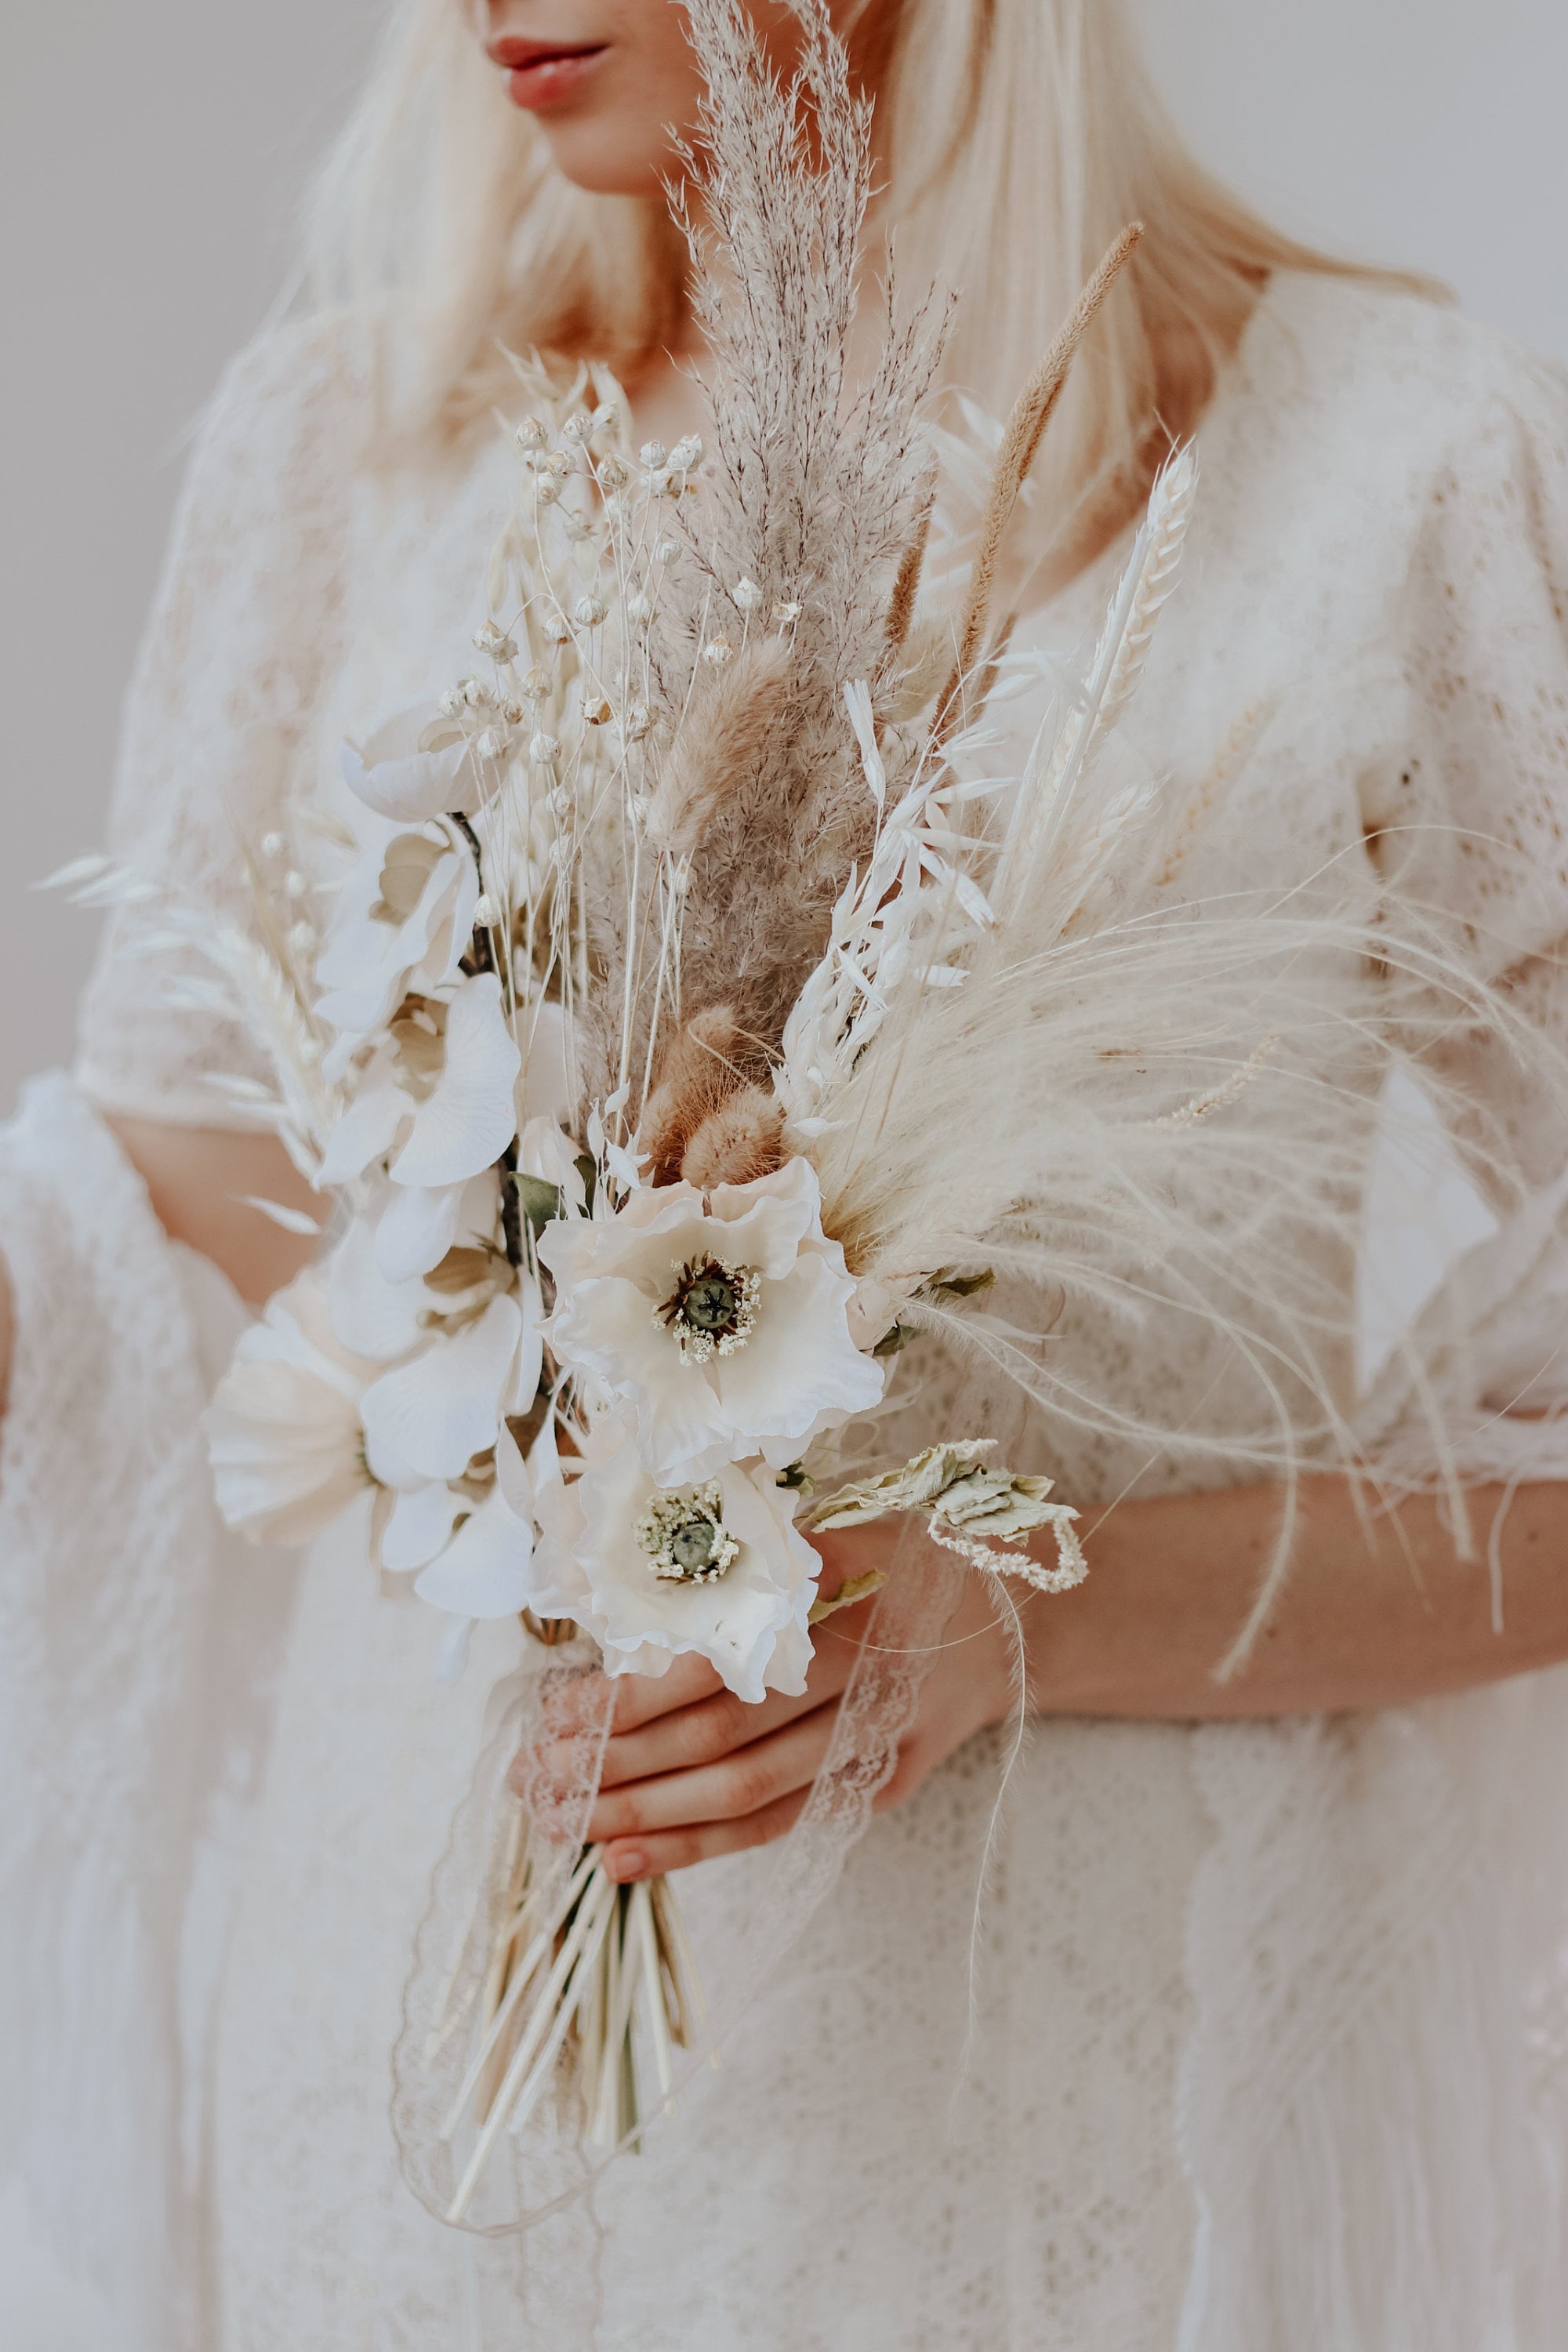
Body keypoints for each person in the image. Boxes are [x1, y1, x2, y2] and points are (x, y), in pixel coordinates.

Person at [3, 1, 1567, 2345]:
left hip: (1029, 2166)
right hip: (394, 2138)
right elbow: (213, 1216)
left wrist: (1002, 1616)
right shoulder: (357, 449)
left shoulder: (1375, 460)